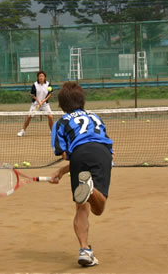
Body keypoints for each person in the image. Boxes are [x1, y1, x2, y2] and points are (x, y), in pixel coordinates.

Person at [49, 81, 113, 267]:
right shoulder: (95, 117)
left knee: (82, 207)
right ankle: (91, 188)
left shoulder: (61, 123)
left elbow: (67, 154)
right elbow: (106, 145)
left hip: (79, 155)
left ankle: (85, 249)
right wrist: (61, 172)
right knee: (98, 209)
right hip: (102, 152)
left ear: (61, 106)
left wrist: (63, 168)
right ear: (83, 100)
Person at [17, 70, 54, 136]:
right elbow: (32, 95)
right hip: (35, 104)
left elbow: (50, 94)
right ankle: (23, 131)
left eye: (42, 76)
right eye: (40, 76)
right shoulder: (35, 85)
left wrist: (44, 100)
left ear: (45, 77)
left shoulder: (48, 84)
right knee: (29, 117)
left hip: (45, 104)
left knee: (50, 117)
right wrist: (38, 101)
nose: (41, 77)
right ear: (38, 77)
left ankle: (52, 131)